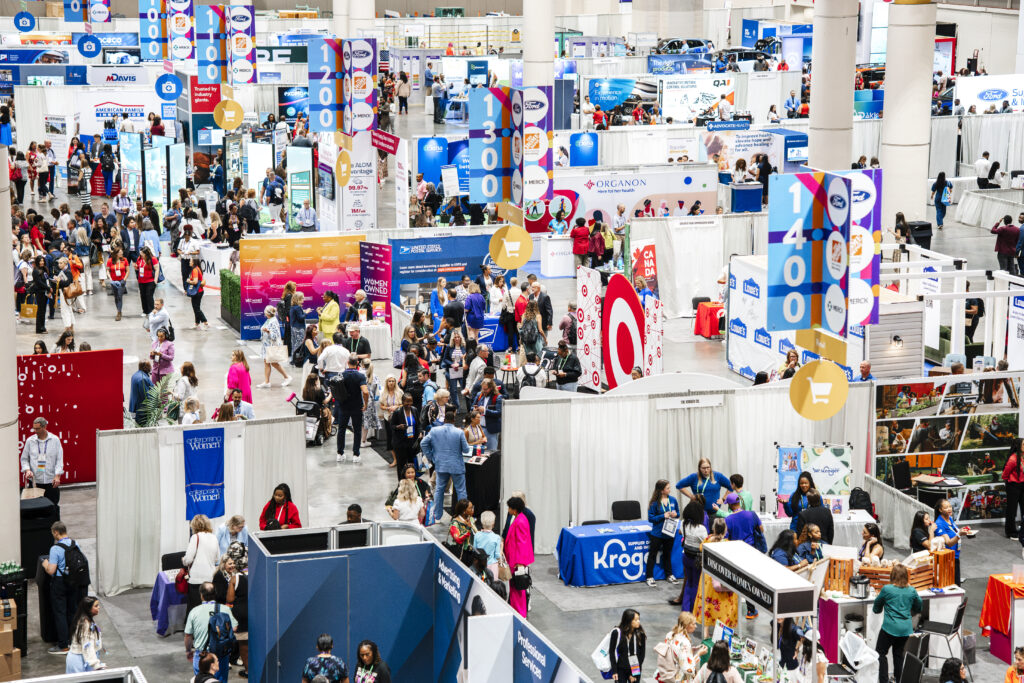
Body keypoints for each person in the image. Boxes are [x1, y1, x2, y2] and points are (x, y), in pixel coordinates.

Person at [873, 564, 923, 683]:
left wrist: (879, 609)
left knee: (880, 653)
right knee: (898, 654)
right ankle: (898, 679)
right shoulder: (911, 590)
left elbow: (876, 606)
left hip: (889, 628)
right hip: (905, 630)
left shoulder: (887, 589)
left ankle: (884, 680)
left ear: (892, 576)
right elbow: (919, 606)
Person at [42, 521, 85, 654]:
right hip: (74, 582)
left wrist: (45, 564)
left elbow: (51, 570)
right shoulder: (75, 544)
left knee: (60, 613)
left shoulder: (55, 549)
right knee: (72, 611)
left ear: (56, 532)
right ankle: (73, 641)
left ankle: (63, 645)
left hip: (60, 583)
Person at [184, 582, 237, 683]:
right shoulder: (225, 609)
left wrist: (188, 650)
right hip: (220, 655)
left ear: (201, 595)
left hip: (202, 655)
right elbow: (234, 628)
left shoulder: (194, 611)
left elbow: (188, 635)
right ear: (215, 594)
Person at [20, 416, 64, 505]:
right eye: (34, 429)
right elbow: (24, 459)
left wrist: (57, 476)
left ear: (44, 427)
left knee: (52, 505)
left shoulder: (55, 440)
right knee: (36, 506)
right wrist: (27, 470)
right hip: (35, 481)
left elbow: (59, 460)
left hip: (51, 481)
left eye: (38, 429)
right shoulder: (30, 441)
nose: (35, 431)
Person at [645, 479, 680, 587]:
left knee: (667, 554)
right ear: (661, 490)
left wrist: (675, 514)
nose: (670, 489)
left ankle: (669, 575)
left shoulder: (673, 500)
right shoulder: (654, 503)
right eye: (667, 488)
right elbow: (651, 518)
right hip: (657, 533)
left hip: (669, 532)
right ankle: (649, 577)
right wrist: (662, 516)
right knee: (652, 555)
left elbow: (678, 513)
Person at [182, 514, 220, 615]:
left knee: (194, 608)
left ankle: (193, 628)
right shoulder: (214, 537)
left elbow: (188, 559)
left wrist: (183, 560)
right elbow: (217, 558)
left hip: (197, 578)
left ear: (194, 525)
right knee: (208, 608)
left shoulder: (195, 537)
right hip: (210, 577)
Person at [335, 356, 369, 463]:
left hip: (343, 406)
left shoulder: (341, 375)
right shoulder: (360, 376)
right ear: (357, 363)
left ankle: (340, 453)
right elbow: (365, 391)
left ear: (347, 362)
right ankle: (356, 454)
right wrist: (366, 403)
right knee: (357, 430)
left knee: (341, 429)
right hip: (356, 406)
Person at [504, 495, 535, 617]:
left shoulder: (520, 521)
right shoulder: (519, 518)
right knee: (515, 588)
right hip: (514, 559)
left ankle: (520, 613)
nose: (508, 510)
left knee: (518, 588)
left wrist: (520, 563)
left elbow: (522, 543)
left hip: (517, 561)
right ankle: (516, 611)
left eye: (509, 508)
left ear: (514, 509)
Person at [654, 611, 706, 683]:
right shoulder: (684, 643)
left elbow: (676, 652)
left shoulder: (670, 634)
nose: (696, 626)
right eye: (693, 624)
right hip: (679, 678)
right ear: (687, 625)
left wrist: (691, 650)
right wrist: (698, 655)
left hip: (667, 673)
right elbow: (688, 669)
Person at [66, 596, 105, 672]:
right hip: (80, 660)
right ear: (88, 609)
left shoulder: (85, 620)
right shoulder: (85, 625)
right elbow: (87, 647)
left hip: (84, 659)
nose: (99, 607)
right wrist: (96, 665)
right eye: (96, 606)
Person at [608, 609, 647, 683]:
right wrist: (614, 671)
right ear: (628, 621)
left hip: (635, 668)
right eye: (635, 620)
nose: (638, 622)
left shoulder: (640, 634)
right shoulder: (617, 633)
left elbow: (642, 655)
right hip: (620, 669)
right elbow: (612, 652)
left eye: (638, 619)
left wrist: (634, 674)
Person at [258, 305, 292, 388]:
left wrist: (268, 331)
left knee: (273, 363)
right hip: (266, 345)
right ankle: (267, 381)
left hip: (271, 346)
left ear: (267, 313)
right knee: (267, 362)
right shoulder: (269, 320)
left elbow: (275, 335)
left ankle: (287, 377)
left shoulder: (273, 321)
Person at [390, 393, 421, 478]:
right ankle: (401, 483)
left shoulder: (414, 410)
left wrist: (420, 433)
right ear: (402, 402)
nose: (409, 403)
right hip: (401, 443)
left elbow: (418, 424)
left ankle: (412, 483)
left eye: (411, 401)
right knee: (401, 464)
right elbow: (391, 426)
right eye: (407, 401)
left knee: (412, 464)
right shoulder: (397, 412)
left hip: (412, 442)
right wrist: (398, 427)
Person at [934, 498, 963, 584]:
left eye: (950, 506)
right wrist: (960, 534)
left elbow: (954, 531)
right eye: (946, 507)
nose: (949, 509)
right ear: (940, 510)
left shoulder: (949, 518)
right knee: (952, 584)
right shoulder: (939, 523)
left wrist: (963, 532)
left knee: (956, 582)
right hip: (948, 559)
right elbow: (949, 543)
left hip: (955, 555)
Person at [472, 378, 503, 451]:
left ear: (491, 388)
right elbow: (472, 406)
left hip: (491, 430)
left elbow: (499, 413)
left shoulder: (498, 397)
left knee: (491, 452)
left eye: (486, 389)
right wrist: (473, 410)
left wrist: (485, 411)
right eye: (483, 389)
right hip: (479, 428)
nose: (484, 391)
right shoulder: (479, 394)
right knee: (478, 451)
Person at [473, 511, 503, 579]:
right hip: (492, 566)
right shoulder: (497, 537)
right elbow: (497, 555)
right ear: (493, 524)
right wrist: (501, 548)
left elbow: (474, 550)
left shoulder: (477, 535)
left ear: (482, 523)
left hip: (479, 566)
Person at [1005, 438, 1024, 537]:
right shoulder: (1013, 458)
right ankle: (1011, 532)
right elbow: (1005, 474)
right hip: (1013, 486)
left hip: (1023, 485)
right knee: (1012, 510)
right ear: (1018, 446)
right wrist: (1010, 483)